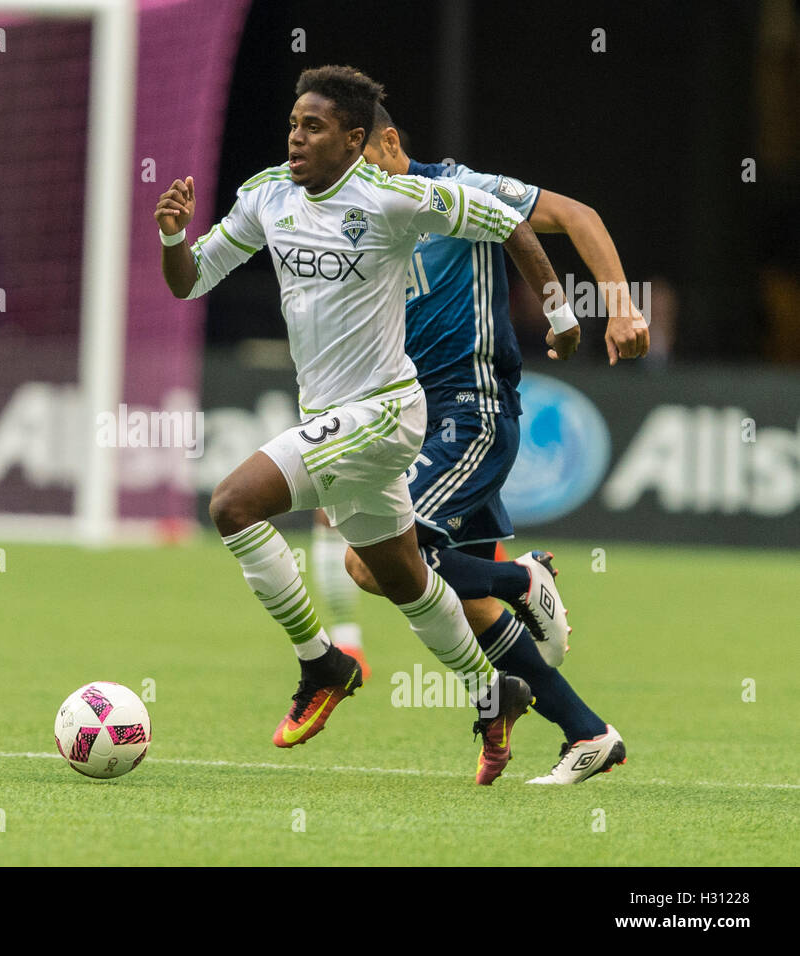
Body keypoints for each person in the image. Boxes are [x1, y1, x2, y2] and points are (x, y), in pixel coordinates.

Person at [156, 66, 583, 783]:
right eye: (293, 123)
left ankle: (322, 663)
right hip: (332, 419)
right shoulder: (267, 197)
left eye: (314, 126)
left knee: (232, 504)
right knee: (408, 580)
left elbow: (505, 219)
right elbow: (190, 279)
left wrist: (562, 312)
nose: (295, 137)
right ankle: (494, 692)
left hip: (385, 414)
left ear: (355, 140)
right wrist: (173, 237)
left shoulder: (391, 198)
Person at [316, 99, 646, 783]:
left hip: (470, 413)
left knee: (371, 560)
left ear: (386, 142)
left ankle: (524, 576)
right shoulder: (365, 218)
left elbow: (577, 216)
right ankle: (588, 734)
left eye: (355, 159)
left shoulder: (461, 189)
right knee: (460, 600)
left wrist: (619, 304)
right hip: (408, 422)